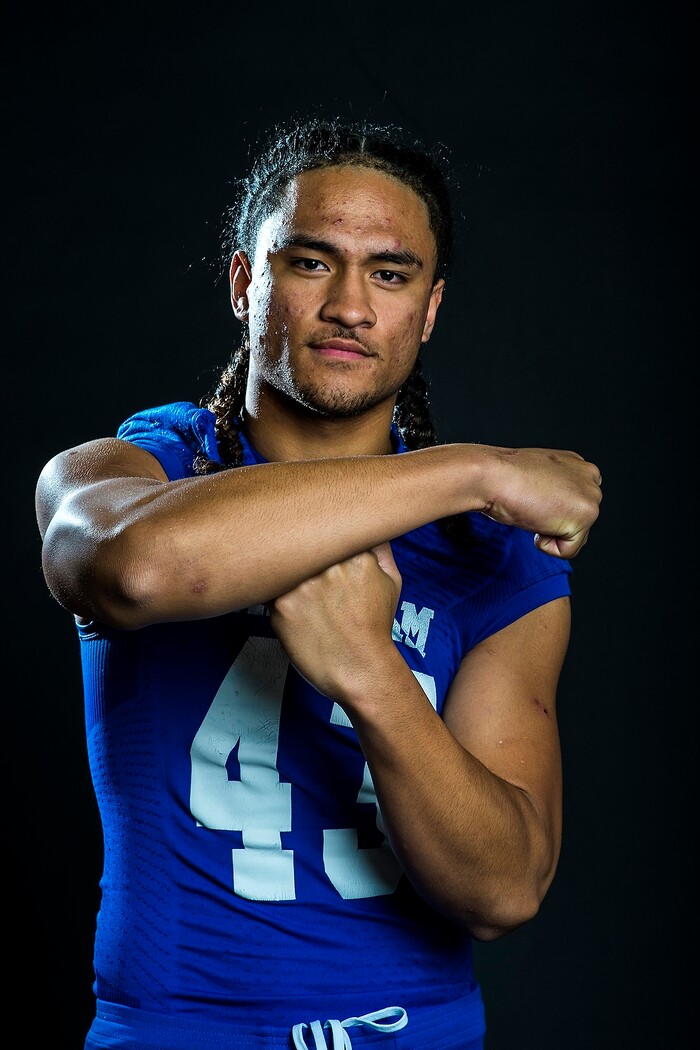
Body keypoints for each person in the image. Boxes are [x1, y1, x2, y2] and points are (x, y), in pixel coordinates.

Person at [35, 116, 602, 1050]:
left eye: (391, 273)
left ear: (429, 309)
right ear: (245, 283)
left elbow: (504, 889)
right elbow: (131, 570)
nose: (349, 304)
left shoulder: (490, 549)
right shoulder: (144, 470)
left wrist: (371, 674)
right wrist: (473, 468)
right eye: (309, 263)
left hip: (414, 1033)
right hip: (179, 1035)